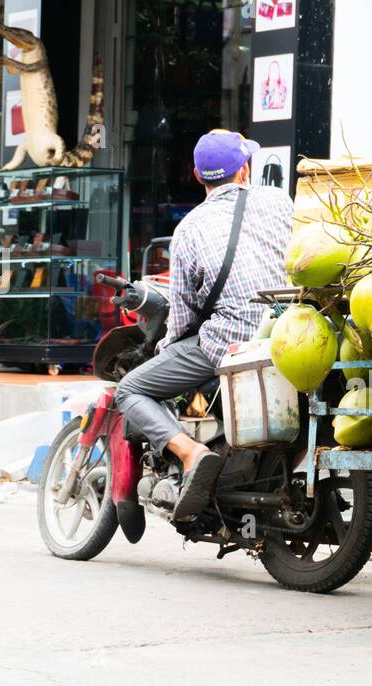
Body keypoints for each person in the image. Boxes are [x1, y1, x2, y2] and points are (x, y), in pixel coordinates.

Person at [113, 129, 293, 521]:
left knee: (130, 389)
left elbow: (182, 312)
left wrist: (164, 347)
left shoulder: (188, 230)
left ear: (198, 176)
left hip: (230, 342)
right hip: (292, 332)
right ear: (245, 170)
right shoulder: (279, 201)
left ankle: (192, 453)